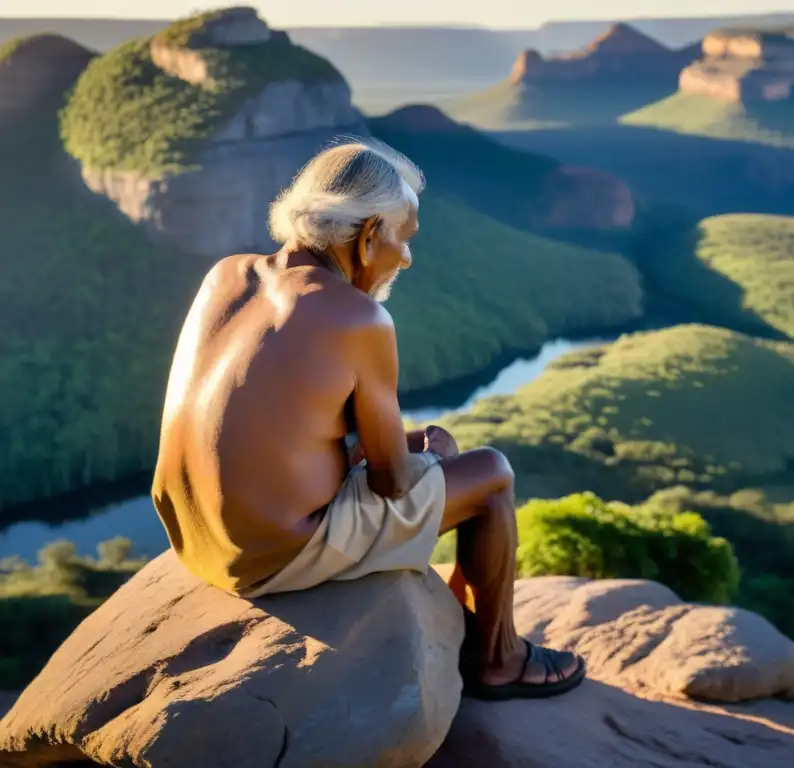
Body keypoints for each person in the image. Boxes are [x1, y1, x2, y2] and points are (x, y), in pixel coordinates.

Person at [150, 137, 585, 700]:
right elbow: (391, 481)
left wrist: (403, 449)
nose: (406, 257)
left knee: (440, 459)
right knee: (491, 474)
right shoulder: (359, 317)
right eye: (403, 238)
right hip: (269, 557)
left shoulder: (227, 275)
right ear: (369, 234)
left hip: (194, 536)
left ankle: (464, 623)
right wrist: (428, 454)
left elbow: (270, 421)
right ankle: (499, 658)